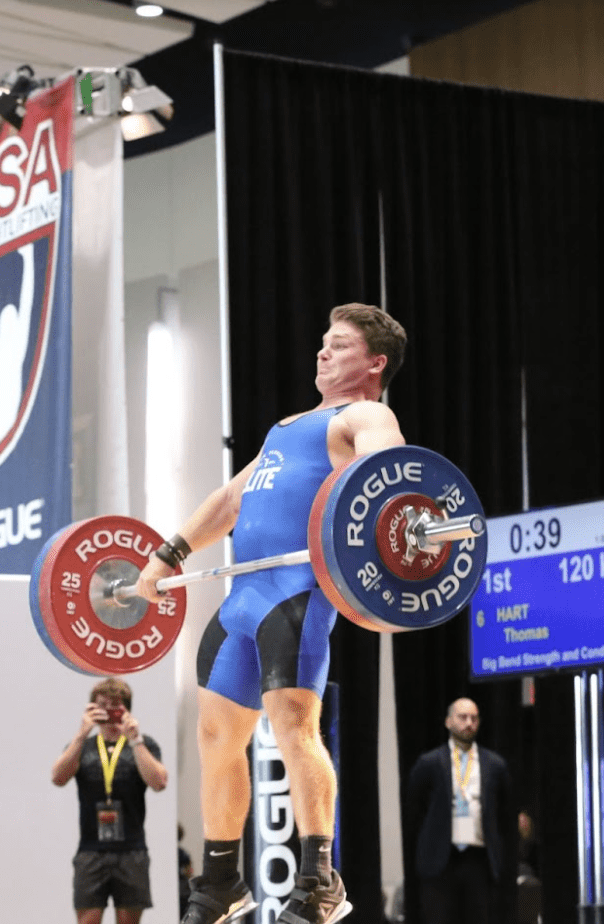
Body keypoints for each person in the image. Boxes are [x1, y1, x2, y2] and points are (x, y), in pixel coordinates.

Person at [135, 303, 409, 924]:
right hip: (244, 599)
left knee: (293, 727)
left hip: (297, 590)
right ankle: (223, 879)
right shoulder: (287, 430)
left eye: (337, 345)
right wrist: (167, 555)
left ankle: (320, 883)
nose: (322, 352)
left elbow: (386, 465)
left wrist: (393, 499)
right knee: (215, 737)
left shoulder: (364, 413)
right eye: (323, 342)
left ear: (374, 363)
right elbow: (231, 499)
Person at [51, 677, 169, 924]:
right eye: (101, 706)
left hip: (132, 849)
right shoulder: (83, 746)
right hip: (91, 850)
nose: (108, 712)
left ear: (126, 709)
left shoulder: (143, 744)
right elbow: (58, 777)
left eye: (115, 706)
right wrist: (82, 733)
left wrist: (135, 739)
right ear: (91, 708)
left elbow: (159, 782)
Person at [403, 697, 517, 924]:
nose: (469, 723)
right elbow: (413, 809)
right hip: (440, 860)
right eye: (462, 717)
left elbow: (505, 814)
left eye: (474, 718)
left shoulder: (494, 764)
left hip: (479, 860)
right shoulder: (429, 762)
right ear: (448, 722)